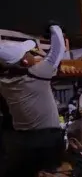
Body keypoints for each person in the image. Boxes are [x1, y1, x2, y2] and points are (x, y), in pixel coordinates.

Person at [0, 25, 67, 156]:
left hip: (21, 138)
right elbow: (58, 50)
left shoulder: (3, 81)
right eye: (29, 52)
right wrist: (54, 28)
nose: (33, 53)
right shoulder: (36, 75)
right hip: (46, 137)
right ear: (24, 61)